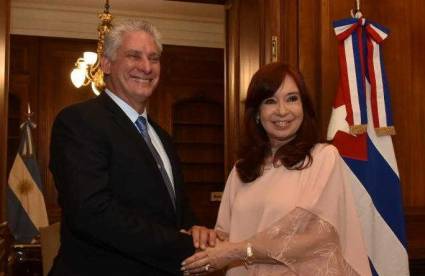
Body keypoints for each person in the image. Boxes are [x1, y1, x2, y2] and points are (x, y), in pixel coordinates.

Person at [49, 19, 215, 276]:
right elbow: (92, 213)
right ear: (106, 64)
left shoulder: (162, 137)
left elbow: (176, 209)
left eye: (154, 58)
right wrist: (184, 246)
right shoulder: (78, 122)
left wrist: (196, 231)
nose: (146, 67)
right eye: (133, 56)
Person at [181, 63, 372, 275]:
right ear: (257, 113)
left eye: (292, 99)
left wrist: (237, 251)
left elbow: (315, 237)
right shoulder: (241, 169)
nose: (282, 111)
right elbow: (226, 236)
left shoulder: (323, 158)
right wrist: (201, 238)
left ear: (304, 107)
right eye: (270, 101)